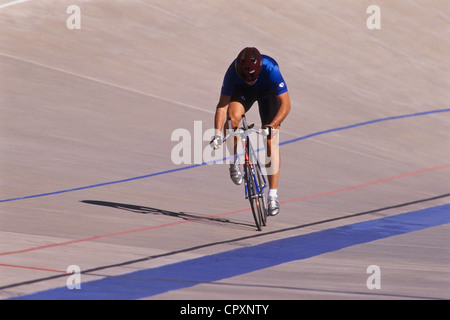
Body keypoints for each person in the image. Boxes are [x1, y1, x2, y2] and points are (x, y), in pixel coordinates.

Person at [210, 47, 291, 216]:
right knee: (232, 120)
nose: (250, 80)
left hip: (267, 92)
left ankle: (273, 196)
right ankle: (234, 160)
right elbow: (222, 106)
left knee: (271, 140)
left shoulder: (271, 68)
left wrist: (272, 125)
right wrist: (217, 133)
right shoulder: (232, 72)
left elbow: (286, 104)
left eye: (252, 78)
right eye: (245, 77)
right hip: (243, 92)